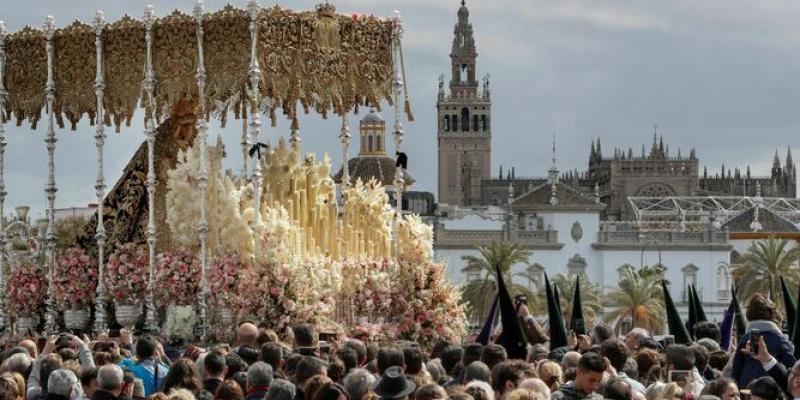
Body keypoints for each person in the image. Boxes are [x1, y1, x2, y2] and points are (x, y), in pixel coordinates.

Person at [731, 294, 796, 388]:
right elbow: (793, 367)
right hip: (772, 388)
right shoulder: (779, 339)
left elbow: (735, 370)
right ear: (773, 313)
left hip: (747, 388)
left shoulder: (745, 339)